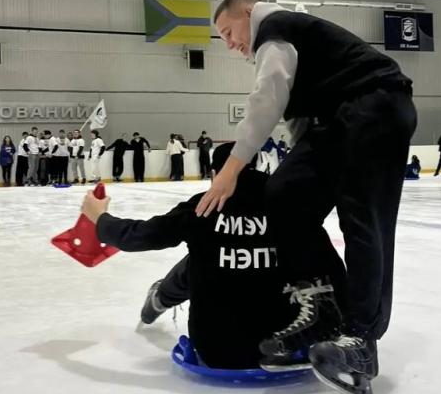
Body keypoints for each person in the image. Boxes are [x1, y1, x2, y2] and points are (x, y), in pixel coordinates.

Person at [197, 0, 417, 394]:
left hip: (377, 105)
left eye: (228, 32)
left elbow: (267, 97)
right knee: (285, 194)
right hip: (333, 121)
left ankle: (361, 340)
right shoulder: (296, 49)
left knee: (361, 219)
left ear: (249, 12)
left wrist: (230, 170)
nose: (229, 44)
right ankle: (324, 308)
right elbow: (297, 119)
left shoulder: (275, 28)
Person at [80, 143, 343, 369]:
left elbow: (140, 236)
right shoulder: (287, 205)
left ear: (216, 174)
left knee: (200, 258)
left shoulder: (202, 206)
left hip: (216, 350)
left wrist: (99, 218)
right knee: (292, 254)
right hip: (282, 343)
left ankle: (160, 297)